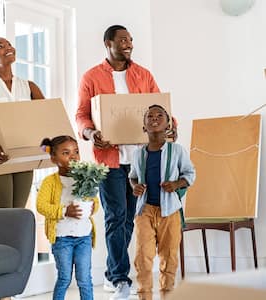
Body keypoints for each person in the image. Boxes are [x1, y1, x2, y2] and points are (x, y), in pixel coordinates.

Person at [76, 24, 177, 300]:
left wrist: (172, 124)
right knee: (115, 216)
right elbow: (82, 115)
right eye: (122, 40)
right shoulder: (92, 77)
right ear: (108, 43)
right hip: (109, 160)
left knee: (130, 218)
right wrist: (90, 133)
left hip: (141, 161)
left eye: (130, 40)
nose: (128, 44)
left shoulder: (143, 74)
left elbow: (161, 108)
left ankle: (112, 273)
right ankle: (120, 277)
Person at [129, 104, 196, 300]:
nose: (154, 118)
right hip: (145, 211)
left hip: (170, 212)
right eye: (150, 116)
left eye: (160, 115)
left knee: (169, 257)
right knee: (143, 256)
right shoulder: (138, 154)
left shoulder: (177, 151)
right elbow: (133, 177)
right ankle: (144, 295)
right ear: (144, 126)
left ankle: (168, 294)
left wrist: (176, 183)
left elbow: (190, 174)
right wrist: (135, 186)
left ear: (168, 125)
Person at [0, 36, 44, 209]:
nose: (9, 48)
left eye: (10, 44)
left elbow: (46, 116)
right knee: (2, 215)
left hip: (24, 155)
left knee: (18, 214)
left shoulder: (29, 86)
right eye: (1, 46)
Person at [36, 135, 99, 300]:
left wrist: (93, 206)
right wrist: (64, 211)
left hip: (84, 237)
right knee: (64, 278)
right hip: (62, 238)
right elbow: (41, 206)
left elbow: (94, 201)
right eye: (66, 152)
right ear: (54, 159)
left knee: (85, 279)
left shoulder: (84, 177)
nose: (73, 156)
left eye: (76, 151)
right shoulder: (50, 182)